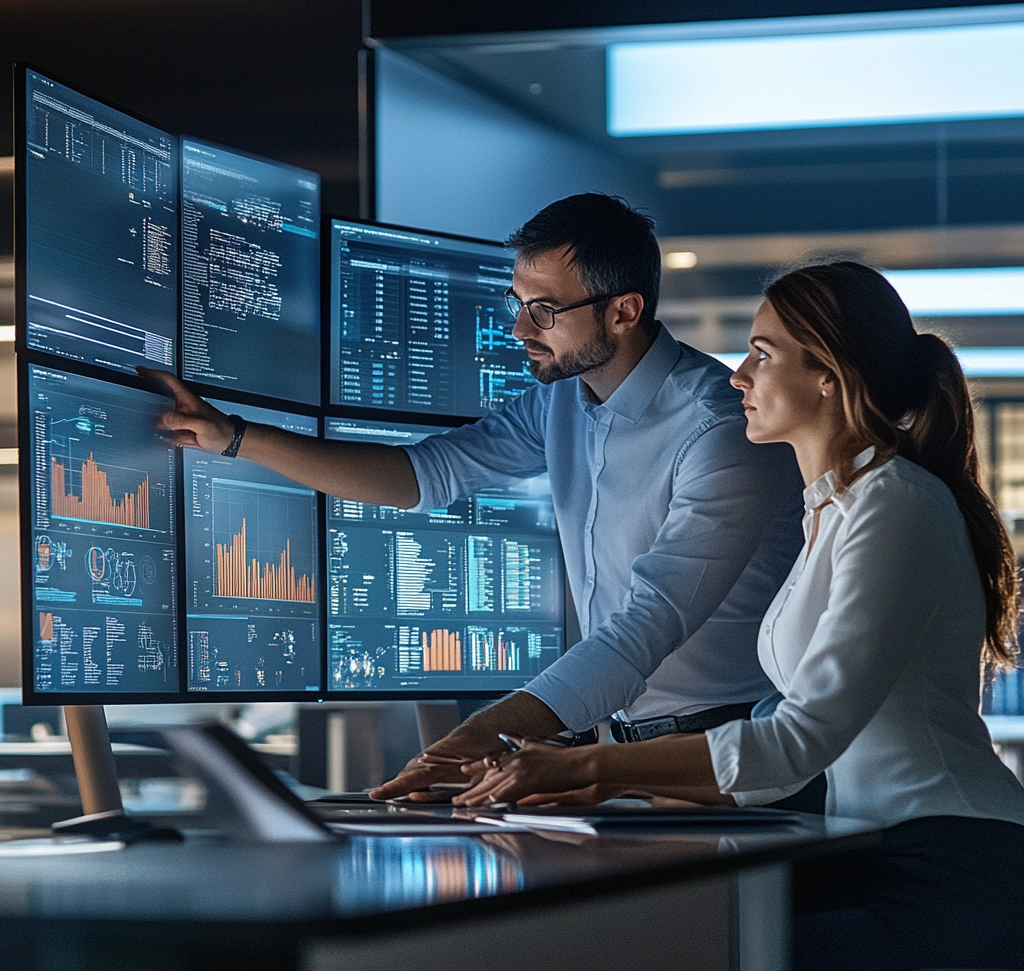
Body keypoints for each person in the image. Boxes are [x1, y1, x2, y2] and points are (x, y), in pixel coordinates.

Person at [453, 260, 1024, 970]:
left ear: (830, 374)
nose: (737, 376)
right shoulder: (835, 510)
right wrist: (612, 780)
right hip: (875, 844)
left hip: (951, 862)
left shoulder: (894, 504)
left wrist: (599, 767)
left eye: (762, 353)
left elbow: (798, 741)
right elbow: (781, 742)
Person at [143, 193, 804, 800]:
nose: (520, 328)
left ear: (623, 311)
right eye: (517, 303)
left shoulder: (721, 431)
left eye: (543, 310)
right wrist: (234, 437)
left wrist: (468, 741)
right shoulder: (561, 403)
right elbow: (422, 475)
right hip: (619, 759)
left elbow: (643, 629)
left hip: (729, 760)